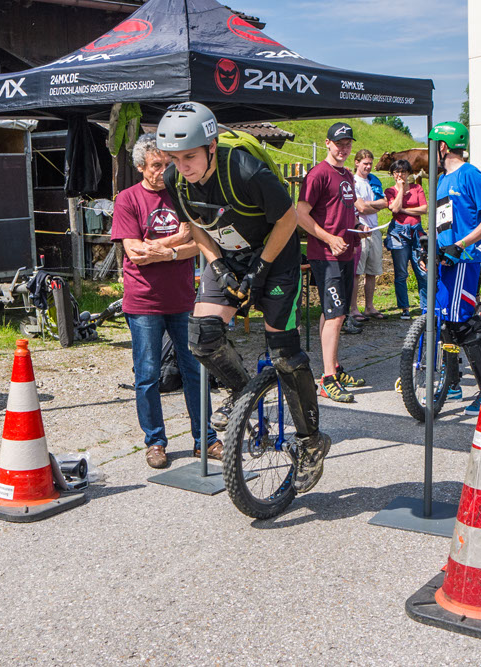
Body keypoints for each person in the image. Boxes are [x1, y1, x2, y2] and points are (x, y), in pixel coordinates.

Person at [157, 102, 330, 493]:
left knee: (284, 354)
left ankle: (311, 442)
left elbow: (288, 219)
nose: (182, 167)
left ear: (211, 146)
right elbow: (195, 225)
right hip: (229, 257)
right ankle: (244, 391)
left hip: (277, 257)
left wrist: (259, 271)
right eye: (175, 159)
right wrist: (218, 267)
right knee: (202, 335)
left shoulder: (245, 170)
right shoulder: (175, 179)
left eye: (189, 157)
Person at [110, 133, 220, 469]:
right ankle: (155, 442)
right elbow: (134, 252)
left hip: (182, 298)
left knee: (195, 370)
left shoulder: (182, 193)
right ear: (141, 167)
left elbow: (198, 243)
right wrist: (176, 240)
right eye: (156, 165)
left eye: (167, 164)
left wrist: (164, 250)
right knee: (147, 375)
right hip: (143, 302)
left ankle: (205, 439)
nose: (163, 171)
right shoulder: (128, 199)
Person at [429, 121, 481, 417]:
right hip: (444, 259)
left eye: (432, 146)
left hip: (463, 259)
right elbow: (442, 220)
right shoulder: (441, 179)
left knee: (463, 324)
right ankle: (453, 382)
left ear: (443, 146)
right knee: (444, 321)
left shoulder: (469, 174)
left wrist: (461, 244)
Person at [297, 122, 366, 403]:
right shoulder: (318, 174)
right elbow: (300, 214)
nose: (344, 149)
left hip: (346, 252)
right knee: (336, 314)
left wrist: (358, 227)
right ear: (327, 143)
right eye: (339, 144)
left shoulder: (347, 174)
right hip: (326, 256)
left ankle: (334, 367)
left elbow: (345, 211)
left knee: (334, 313)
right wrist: (328, 238)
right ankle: (327, 379)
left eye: (348, 144)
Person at [384, 159, 428, 320]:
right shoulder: (390, 191)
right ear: (393, 174)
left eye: (403, 171)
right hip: (398, 233)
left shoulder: (417, 188)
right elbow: (394, 208)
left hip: (416, 232)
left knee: (422, 270)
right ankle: (404, 308)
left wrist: (404, 209)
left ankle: (426, 307)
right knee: (401, 272)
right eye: (396, 172)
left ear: (408, 173)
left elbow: (424, 209)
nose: (400, 175)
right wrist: (401, 189)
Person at [351, 149, 388, 322]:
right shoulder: (353, 182)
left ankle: (369, 306)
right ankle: (353, 307)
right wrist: (374, 206)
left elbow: (385, 203)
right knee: (356, 272)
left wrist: (370, 205)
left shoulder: (374, 181)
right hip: (360, 230)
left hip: (375, 229)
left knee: (372, 271)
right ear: (357, 162)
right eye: (365, 163)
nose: (368, 166)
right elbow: (361, 208)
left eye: (370, 163)